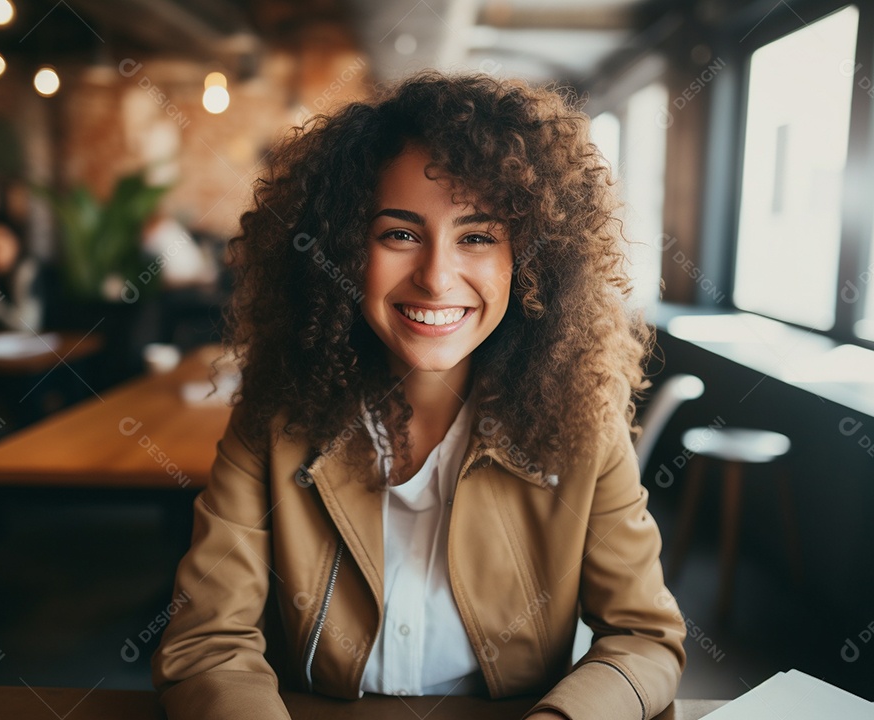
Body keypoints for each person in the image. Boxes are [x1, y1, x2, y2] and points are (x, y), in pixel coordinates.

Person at [152, 72, 686, 720]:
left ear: (530, 261)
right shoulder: (272, 420)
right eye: (399, 234)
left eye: (478, 236)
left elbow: (644, 641)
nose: (435, 278)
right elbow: (207, 645)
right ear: (344, 251)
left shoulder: (583, 427)